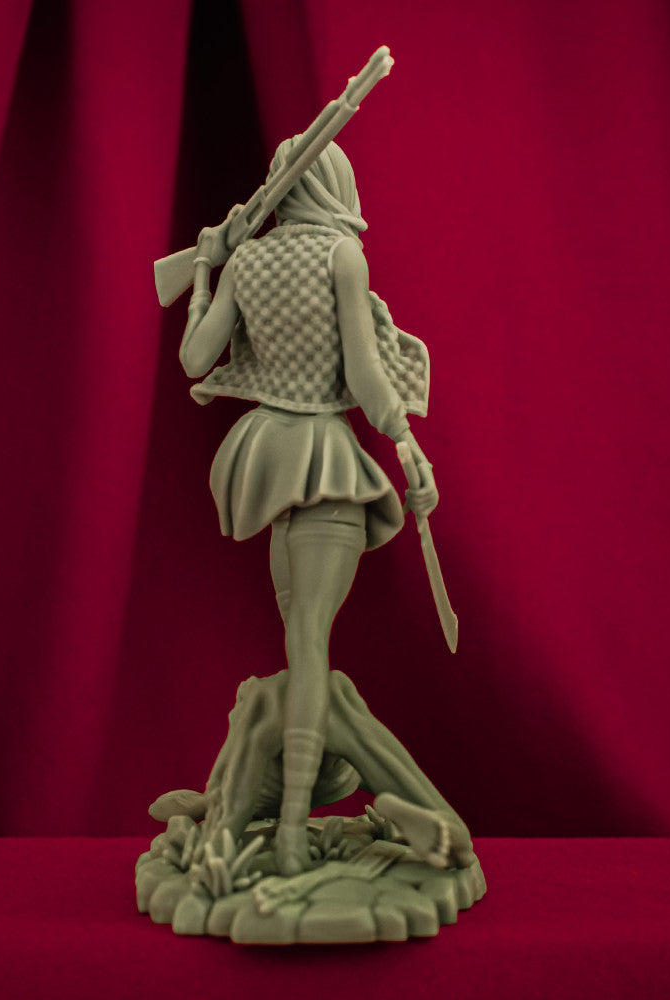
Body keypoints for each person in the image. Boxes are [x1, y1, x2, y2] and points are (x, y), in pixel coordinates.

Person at [179, 138, 437, 876]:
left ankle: (290, 812)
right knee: (310, 645)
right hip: (323, 458)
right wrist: (408, 445)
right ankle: (294, 826)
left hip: (268, 457)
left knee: (302, 642)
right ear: (333, 183)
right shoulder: (341, 256)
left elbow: (194, 359)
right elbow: (364, 372)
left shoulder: (248, 260)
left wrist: (206, 268)